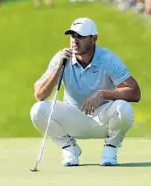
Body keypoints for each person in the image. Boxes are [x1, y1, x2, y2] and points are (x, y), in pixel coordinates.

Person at [30, 17, 141, 167]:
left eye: (80, 37)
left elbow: (134, 92)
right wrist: (58, 69)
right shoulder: (62, 58)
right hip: (72, 116)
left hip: (102, 118)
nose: (75, 41)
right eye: (72, 36)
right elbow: (39, 94)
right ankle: (70, 149)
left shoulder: (108, 59)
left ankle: (110, 149)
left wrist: (103, 94)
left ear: (94, 38)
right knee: (38, 110)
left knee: (124, 109)